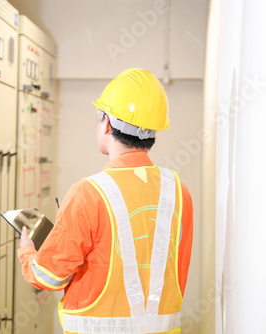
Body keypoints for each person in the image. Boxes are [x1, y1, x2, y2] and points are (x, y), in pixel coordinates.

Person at [18, 68, 193, 334]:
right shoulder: (179, 191)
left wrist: (27, 251)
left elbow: (49, 276)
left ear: (107, 123)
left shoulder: (87, 193)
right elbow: (176, 272)